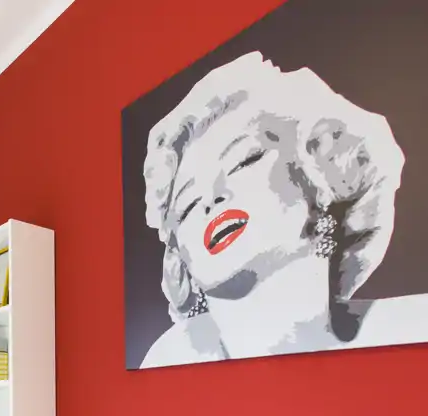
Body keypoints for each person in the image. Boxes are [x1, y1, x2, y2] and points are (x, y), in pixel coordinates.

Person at [140, 51, 428, 368]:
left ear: (321, 177)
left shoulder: (411, 325)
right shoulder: (167, 361)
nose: (212, 198)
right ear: (181, 261)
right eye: (187, 205)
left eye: (243, 162)